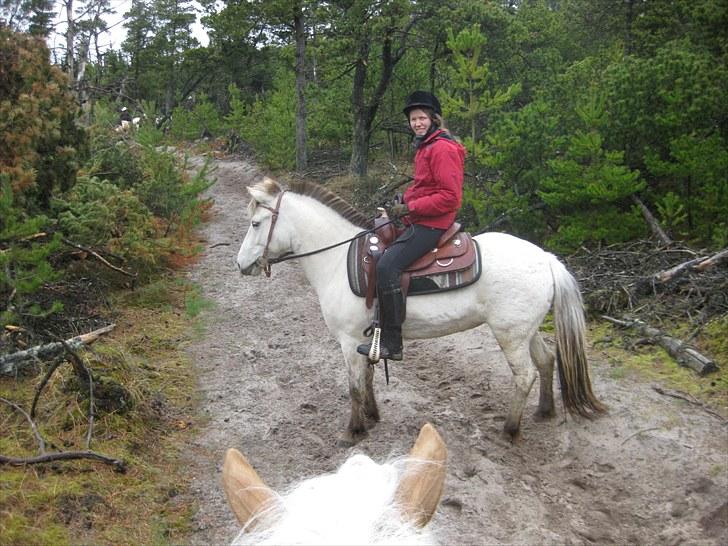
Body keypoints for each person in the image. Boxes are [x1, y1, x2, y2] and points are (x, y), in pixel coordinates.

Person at [357, 91, 466, 362]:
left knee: (387, 266)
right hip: (422, 218)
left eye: (421, 118)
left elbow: (450, 197)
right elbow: (425, 185)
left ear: (433, 118)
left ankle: (392, 342)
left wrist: (411, 208)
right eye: (413, 119)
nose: (417, 123)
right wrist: (404, 197)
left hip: (433, 224)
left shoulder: (441, 148)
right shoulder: (426, 145)